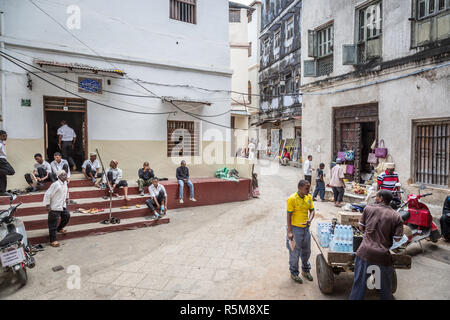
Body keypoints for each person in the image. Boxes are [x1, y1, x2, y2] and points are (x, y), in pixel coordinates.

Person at [349, 190, 404, 300]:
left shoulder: (368, 208)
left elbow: (361, 227)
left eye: (377, 197)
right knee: (385, 289)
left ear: (381, 199)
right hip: (382, 256)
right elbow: (398, 239)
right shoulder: (397, 216)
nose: (375, 198)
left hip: (365, 252)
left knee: (359, 286)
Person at [286, 180, 315, 284]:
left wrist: (310, 219)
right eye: (307, 188)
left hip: (305, 229)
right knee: (294, 253)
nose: (309, 190)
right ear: (300, 188)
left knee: (307, 251)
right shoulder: (292, 199)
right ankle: (294, 273)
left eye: (309, 188)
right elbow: (288, 216)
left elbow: (312, 210)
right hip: (295, 230)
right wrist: (289, 232)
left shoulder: (309, 197)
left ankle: (305, 271)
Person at [43, 170, 71, 248]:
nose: (65, 176)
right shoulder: (55, 184)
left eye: (65, 175)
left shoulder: (65, 183)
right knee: (52, 224)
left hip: (62, 205)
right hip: (54, 207)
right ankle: (53, 240)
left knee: (67, 216)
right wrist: (47, 205)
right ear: (58, 176)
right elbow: (48, 194)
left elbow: (66, 191)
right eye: (63, 175)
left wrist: (67, 198)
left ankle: (60, 228)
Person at [0, 130, 15, 196]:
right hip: (1, 160)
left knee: (3, 176)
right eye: (4, 136)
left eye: (6, 136)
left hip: (2, 159)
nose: (5, 137)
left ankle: (2, 191)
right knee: (11, 171)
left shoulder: (2, 142)